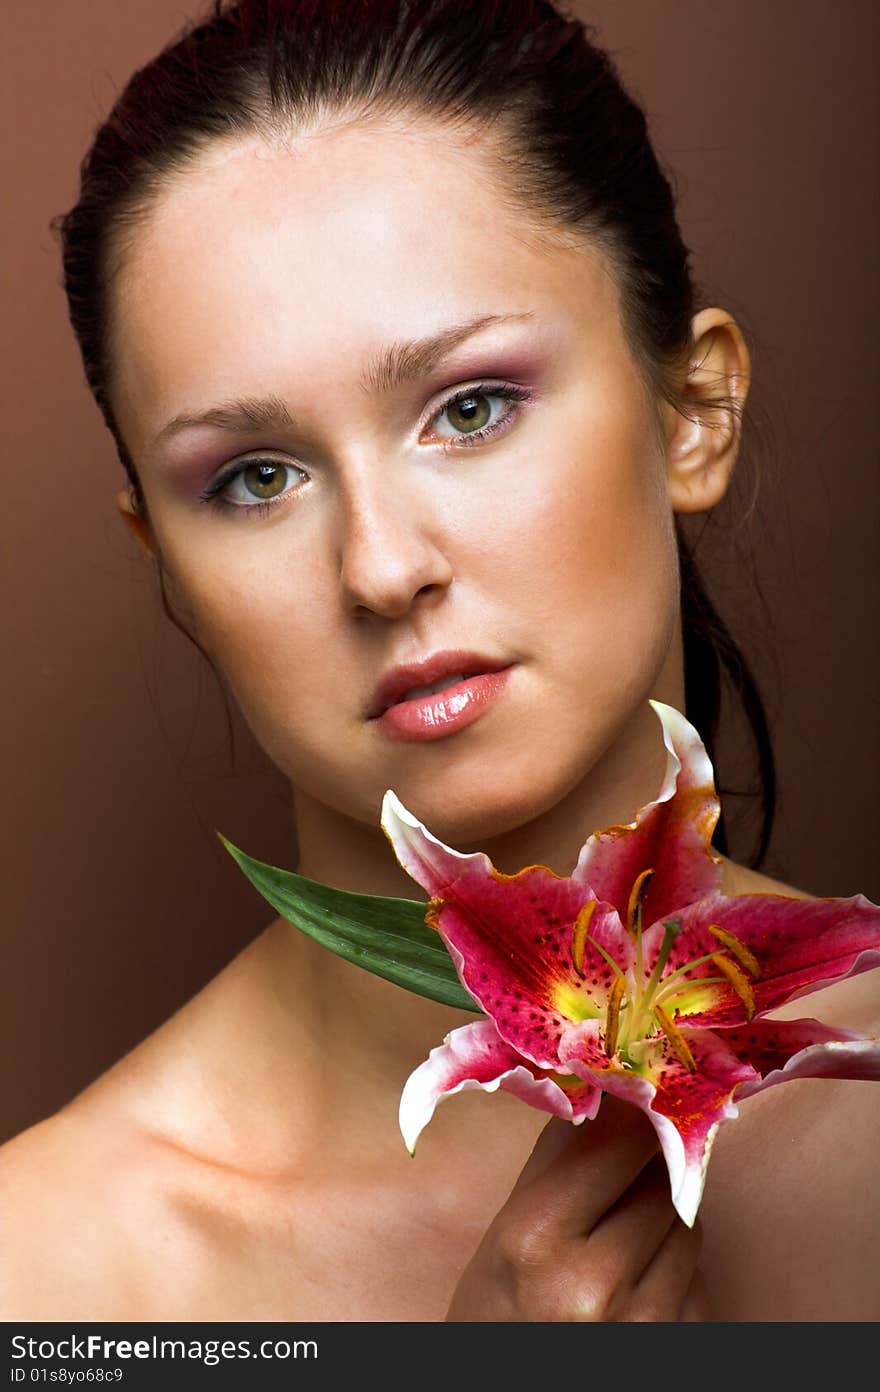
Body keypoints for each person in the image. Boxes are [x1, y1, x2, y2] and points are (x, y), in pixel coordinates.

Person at [1, 0, 877, 1322]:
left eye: (471, 409)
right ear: (163, 557)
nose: (378, 568)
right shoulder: (54, 1278)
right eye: (254, 479)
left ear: (691, 412)